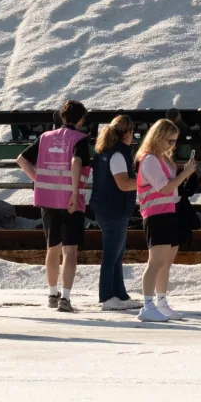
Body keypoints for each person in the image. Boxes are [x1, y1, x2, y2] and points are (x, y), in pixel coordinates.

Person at [16, 100, 92, 313]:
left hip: (48, 199)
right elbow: (76, 163)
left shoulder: (45, 137)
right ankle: (65, 298)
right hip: (70, 201)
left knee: (52, 248)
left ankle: (51, 293)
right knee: (70, 251)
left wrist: (37, 179)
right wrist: (74, 193)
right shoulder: (80, 139)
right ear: (80, 119)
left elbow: (21, 159)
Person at [135, 119, 199, 322]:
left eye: (174, 142)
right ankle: (147, 305)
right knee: (155, 261)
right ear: (159, 137)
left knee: (166, 262)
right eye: (169, 141)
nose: (172, 145)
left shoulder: (161, 158)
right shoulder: (150, 159)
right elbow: (164, 187)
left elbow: (170, 186)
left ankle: (161, 303)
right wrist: (186, 173)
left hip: (168, 211)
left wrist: (184, 175)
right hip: (156, 213)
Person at [90, 115, 140, 311]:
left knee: (118, 255)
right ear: (127, 133)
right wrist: (146, 181)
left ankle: (119, 294)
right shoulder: (118, 155)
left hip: (110, 208)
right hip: (112, 209)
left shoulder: (108, 151)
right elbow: (123, 183)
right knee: (111, 255)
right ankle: (107, 296)